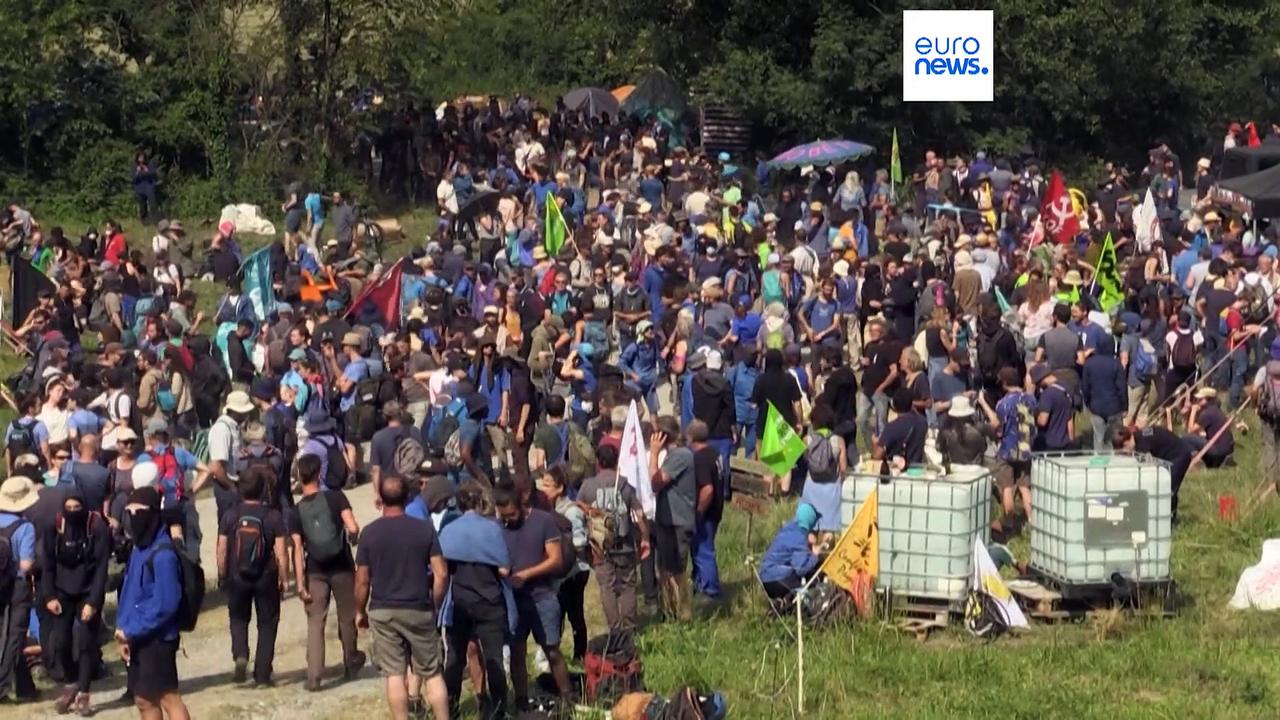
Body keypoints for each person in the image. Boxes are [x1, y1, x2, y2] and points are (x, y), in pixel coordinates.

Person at [355, 474, 450, 720]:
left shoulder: (369, 533)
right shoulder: (423, 529)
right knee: (432, 672)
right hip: (418, 606)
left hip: (383, 609)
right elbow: (441, 573)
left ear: (380, 500)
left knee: (394, 674)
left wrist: (359, 611)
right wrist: (435, 603)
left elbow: (363, 580)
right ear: (408, 497)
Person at [289, 454, 364, 691]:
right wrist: (351, 538)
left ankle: (314, 676)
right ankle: (351, 661)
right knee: (346, 617)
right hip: (341, 565)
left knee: (315, 621)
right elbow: (353, 527)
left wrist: (300, 584)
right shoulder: (335, 497)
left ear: (300, 477)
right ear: (319, 473)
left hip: (315, 571)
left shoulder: (296, 510)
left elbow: (298, 550)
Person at [116, 486, 191, 720]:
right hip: (138, 637)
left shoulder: (163, 554)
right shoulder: (139, 550)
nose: (132, 517)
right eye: (128, 511)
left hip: (158, 639)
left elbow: (167, 603)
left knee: (168, 697)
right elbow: (130, 594)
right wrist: (122, 629)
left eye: (138, 511)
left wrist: (132, 629)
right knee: (143, 700)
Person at [438, 481, 512, 719]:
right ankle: (499, 710)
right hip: (489, 600)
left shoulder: (449, 530)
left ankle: (451, 708)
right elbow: (505, 569)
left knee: (455, 658)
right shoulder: (492, 528)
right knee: (494, 658)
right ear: (480, 502)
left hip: (459, 600)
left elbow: (442, 567)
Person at [40, 488, 112, 715]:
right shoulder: (54, 526)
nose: (72, 512)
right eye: (68, 508)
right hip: (62, 590)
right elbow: (48, 564)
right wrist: (49, 595)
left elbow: (102, 567)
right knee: (60, 643)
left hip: (88, 589)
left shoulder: (96, 526)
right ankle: (71, 683)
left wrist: (93, 601)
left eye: (76, 508)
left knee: (86, 643)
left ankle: (83, 694)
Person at [216, 466, 288, 687]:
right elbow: (282, 552)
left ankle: (240, 654)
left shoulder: (230, 514)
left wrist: (222, 574)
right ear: (262, 489)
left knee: (238, 618)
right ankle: (263, 674)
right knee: (267, 623)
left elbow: (221, 548)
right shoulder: (273, 516)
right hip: (266, 576)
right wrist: (284, 577)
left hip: (237, 576)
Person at [577, 444, 649, 632]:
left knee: (607, 587)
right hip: (624, 544)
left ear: (598, 462)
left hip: (600, 546)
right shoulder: (626, 485)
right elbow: (639, 513)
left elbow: (578, 509)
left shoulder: (588, 486)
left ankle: (615, 629)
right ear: (617, 460)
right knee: (627, 586)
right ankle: (629, 626)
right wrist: (645, 537)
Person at [647, 415, 697, 620]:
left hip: (678, 521)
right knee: (664, 569)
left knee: (676, 570)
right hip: (667, 518)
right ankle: (669, 609)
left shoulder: (681, 456)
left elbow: (655, 482)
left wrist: (654, 454)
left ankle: (682, 612)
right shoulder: (674, 454)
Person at [538, 467, 590, 661]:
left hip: (575, 572)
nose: (544, 489)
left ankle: (580, 654)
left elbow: (579, 543)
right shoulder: (549, 511)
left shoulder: (571, 512)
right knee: (557, 612)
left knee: (574, 613)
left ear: (560, 488)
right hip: (560, 573)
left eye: (548, 485)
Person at [0, 477, 38, 703]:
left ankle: (25, 687)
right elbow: (26, 565)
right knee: (15, 636)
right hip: (17, 585)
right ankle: (2, 687)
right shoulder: (25, 527)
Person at [1113, 425, 1194, 521]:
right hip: (1169, 455)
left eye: (1125, 450)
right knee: (1166, 486)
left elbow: (1145, 471)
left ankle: (1168, 520)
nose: (1127, 454)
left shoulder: (1142, 445)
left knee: (1168, 488)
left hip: (1179, 455)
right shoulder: (1139, 436)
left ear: (1128, 440)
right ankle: (1164, 516)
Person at [988, 367, 1038, 522]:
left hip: (1007, 450)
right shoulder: (1031, 399)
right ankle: (1032, 520)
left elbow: (999, 429)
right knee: (1025, 487)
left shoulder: (1003, 404)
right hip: (1026, 448)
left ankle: (1009, 521)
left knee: (1007, 487)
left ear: (1004, 383)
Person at [758, 503, 823, 599]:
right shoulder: (800, 538)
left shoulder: (790, 528)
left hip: (766, 576)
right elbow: (801, 569)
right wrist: (814, 555)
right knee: (811, 587)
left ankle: (783, 605)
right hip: (778, 580)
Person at [1081, 334, 1127, 450]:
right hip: (1114, 406)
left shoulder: (1089, 363)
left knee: (1098, 437)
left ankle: (1099, 463)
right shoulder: (1116, 364)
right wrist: (1125, 407)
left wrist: (1087, 403)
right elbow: (1122, 387)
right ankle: (1116, 462)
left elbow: (1085, 386)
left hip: (1096, 406)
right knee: (1116, 438)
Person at [873, 388, 928, 470]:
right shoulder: (922, 422)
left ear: (894, 406)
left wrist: (874, 443)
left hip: (897, 470)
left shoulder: (891, 428)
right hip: (917, 468)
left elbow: (877, 456)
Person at [1182, 387, 1234, 468]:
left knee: (1187, 438)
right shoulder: (1216, 410)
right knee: (1196, 437)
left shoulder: (1207, 413)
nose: (1197, 402)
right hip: (1226, 450)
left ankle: (1195, 460)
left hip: (1218, 450)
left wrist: (1193, 411)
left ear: (1208, 400)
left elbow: (1190, 430)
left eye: (1200, 399)